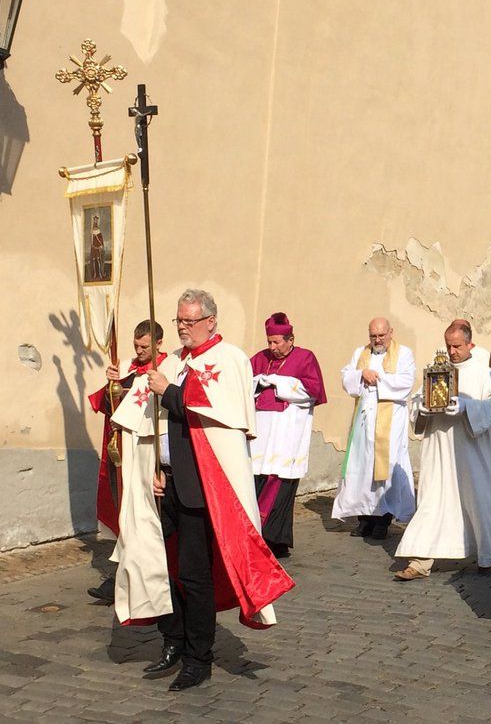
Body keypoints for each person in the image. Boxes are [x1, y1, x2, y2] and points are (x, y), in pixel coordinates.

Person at [145, 289, 293, 691]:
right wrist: (158, 465)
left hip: (204, 488)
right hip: (171, 483)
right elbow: (158, 418)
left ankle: (199, 658)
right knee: (162, 568)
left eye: (189, 321)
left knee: (194, 575)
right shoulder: (175, 360)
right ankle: (172, 641)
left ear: (210, 321)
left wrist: (168, 392)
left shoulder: (229, 359)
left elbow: (218, 412)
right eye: (178, 321)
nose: (182, 328)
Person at [394, 322, 491, 580]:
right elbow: (417, 401)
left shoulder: (483, 373)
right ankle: (420, 560)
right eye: (448, 346)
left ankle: (486, 556)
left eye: (457, 346)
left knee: (477, 502)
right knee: (433, 501)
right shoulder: (436, 371)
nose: (452, 351)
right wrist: (421, 408)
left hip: (471, 454)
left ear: (470, 344)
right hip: (440, 452)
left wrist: (468, 407)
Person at [86, 320, 167, 604]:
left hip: (148, 456)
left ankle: (148, 578)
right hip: (124, 456)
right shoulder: (128, 369)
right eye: (136, 345)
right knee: (127, 515)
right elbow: (111, 408)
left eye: (145, 346)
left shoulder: (166, 370)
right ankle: (125, 577)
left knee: (146, 518)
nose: (139, 350)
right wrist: (113, 385)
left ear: (158, 343)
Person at [249, 313, 327, 558]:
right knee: (257, 481)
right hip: (261, 434)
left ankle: (273, 540)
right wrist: (259, 382)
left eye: (276, 342)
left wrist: (278, 383)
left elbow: (312, 391)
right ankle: (269, 539)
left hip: (286, 435)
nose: (271, 347)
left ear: (290, 339)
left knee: (279, 486)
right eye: (269, 342)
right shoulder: (259, 358)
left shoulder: (305, 358)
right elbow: (243, 384)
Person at [333, 318, 416, 540]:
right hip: (363, 421)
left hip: (390, 423)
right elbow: (345, 375)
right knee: (362, 469)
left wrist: (377, 379)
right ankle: (364, 519)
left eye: (381, 335)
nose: (377, 340)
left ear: (391, 332)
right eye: (373, 336)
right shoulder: (361, 353)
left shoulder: (404, 353)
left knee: (384, 469)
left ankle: (383, 520)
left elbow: (406, 381)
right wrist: (361, 374)